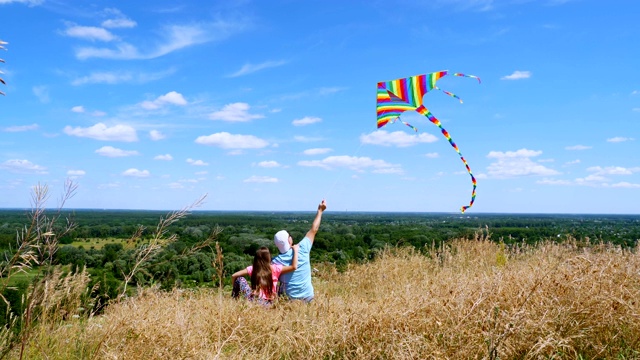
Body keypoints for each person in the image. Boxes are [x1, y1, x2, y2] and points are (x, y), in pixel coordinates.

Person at [272, 199, 326, 302]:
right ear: (289, 240)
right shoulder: (302, 248)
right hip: (308, 297)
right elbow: (314, 229)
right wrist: (320, 211)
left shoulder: (275, 262)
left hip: (289, 300)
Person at [231, 245, 298, 305]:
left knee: (240, 279)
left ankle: (234, 302)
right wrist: (295, 250)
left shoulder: (253, 269)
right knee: (281, 286)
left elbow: (234, 276)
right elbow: (294, 267)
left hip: (254, 300)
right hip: (269, 303)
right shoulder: (275, 268)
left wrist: (236, 294)